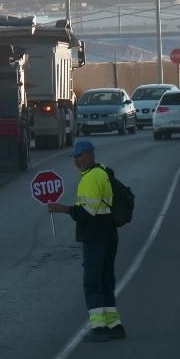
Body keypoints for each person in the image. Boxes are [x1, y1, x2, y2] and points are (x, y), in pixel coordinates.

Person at [47, 138, 124, 342]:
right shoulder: (103, 171)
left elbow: (87, 211)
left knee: (92, 281)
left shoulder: (90, 178)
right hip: (109, 233)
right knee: (106, 280)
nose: (76, 161)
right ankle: (114, 325)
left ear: (90, 154)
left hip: (95, 235)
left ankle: (99, 328)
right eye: (74, 157)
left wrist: (61, 208)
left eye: (79, 156)